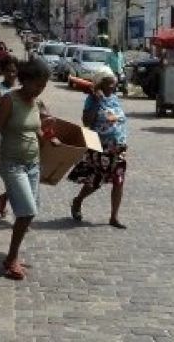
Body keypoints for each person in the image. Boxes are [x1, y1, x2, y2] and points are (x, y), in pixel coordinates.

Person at [0, 59, 51, 280]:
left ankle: (13, 255)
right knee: (27, 211)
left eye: (43, 86)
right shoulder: (8, 100)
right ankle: (11, 258)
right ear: (26, 80)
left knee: (30, 211)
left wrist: (50, 138)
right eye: (38, 84)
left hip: (33, 164)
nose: (40, 89)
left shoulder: (36, 103)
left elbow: (35, 130)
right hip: (12, 164)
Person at [68, 66, 129, 229]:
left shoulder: (114, 98)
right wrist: (97, 101)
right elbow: (87, 122)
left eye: (113, 82)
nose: (113, 86)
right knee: (96, 181)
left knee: (119, 180)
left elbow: (118, 119)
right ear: (100, 84)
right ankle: (78, 201)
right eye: (109, 83)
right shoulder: (92, 99)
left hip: (118, 147)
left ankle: (114, 217)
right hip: (101, 147)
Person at [0, 57, 19, 217]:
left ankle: (3, 198)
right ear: (3, 72)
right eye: (8, 71)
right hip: (8, 136)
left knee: (24, 175)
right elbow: (2, 109)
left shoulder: (23, 87)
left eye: (14, 71)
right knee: (15, 175)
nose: (11, 74)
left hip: (24, 135)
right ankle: (20, 213)